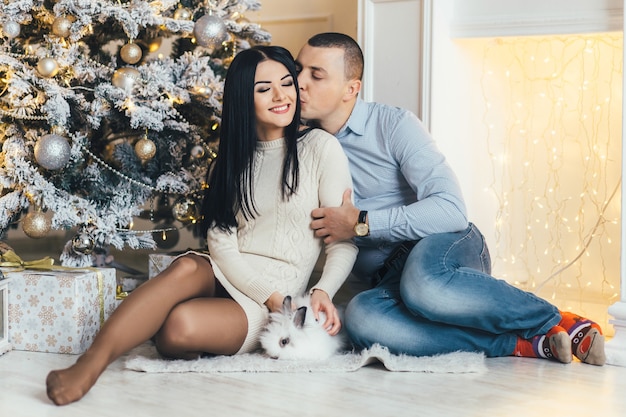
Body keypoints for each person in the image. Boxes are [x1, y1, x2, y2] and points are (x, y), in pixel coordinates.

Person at [46, 45, 358, 405]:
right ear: (244, 99)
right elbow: (221, 243)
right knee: (187, 266)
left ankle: (158, 323)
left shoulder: (321, 148)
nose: (280, 95)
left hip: (277, 298)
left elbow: (343, 241)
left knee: (177, 330)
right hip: (227, 270)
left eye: (287, 83)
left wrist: (321, 291)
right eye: (263, 89)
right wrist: (260, 290)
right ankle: (87, 367)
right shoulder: (230, 161)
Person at [296, 32, 606, 366]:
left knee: (423, 286)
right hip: (387, 279)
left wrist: (361, 223)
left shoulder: (393, 125)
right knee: (362, 318)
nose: (299, 82)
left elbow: (451, 210)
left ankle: (557, 320)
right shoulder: (299, 146)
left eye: (316, 75)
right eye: (298, 70)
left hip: (444, 247)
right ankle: (522, 343)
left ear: (351, 89)